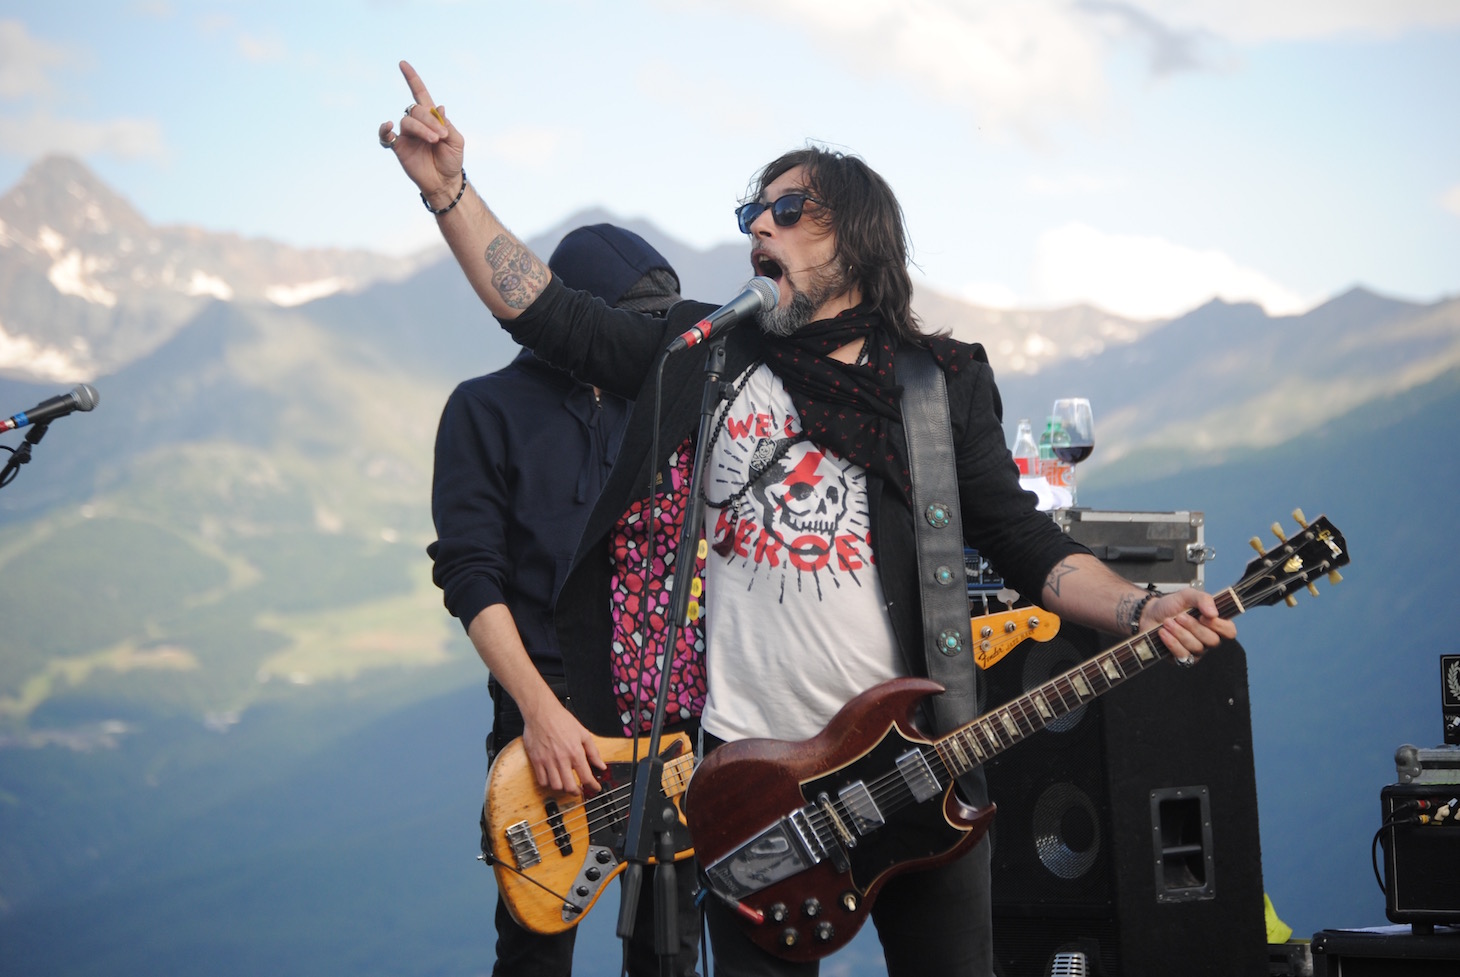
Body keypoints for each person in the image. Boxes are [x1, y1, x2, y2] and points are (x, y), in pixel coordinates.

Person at [384, 60, 1237, 977]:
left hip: (917, 763)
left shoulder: (938, 384)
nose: (760, 225)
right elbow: (549, 314)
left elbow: (1023, 538)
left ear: (858, 240)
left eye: (788, 210)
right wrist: (450, 192)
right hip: (753, 783)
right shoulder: (714, 354)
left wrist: (1142, 607)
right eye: (753, 212)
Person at [427, 221, 701, 976]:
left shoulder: (661, 408)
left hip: (665, 715)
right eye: (633, 325)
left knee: (670, 953)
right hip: (546, 712)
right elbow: (470, 575)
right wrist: (539, 713)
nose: (643, 344)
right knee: (535, 958)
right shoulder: (485, 408)